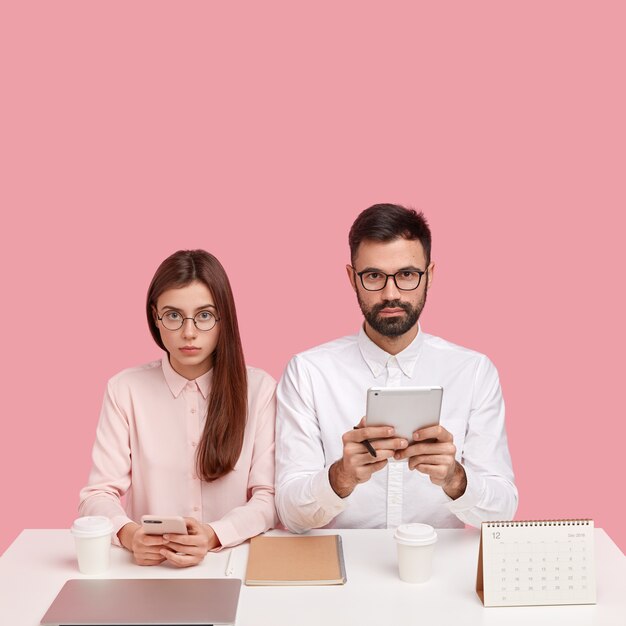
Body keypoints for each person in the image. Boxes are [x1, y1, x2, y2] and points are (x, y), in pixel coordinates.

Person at [275, 203, 517, 532]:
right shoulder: (308, 372)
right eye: (374, 276)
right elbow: (290, 515)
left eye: (406, 275)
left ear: (429, 275)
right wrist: (341, 477)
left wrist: (455, 478)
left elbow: (503, 513)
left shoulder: (473, 372)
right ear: (352, 278)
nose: (391, 294)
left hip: (438, 571)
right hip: (342, 569)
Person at [80, 249, 277, 567]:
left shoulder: (260, 389)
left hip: (232, 565)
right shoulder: (125, 389)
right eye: (173, 315)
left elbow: (268, 498)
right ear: (155, 317)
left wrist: (214, 534)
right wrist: (130, 535)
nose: (189, 332)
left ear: (223, 317)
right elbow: (97, 494)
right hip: (150, 569)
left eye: (204, 315)